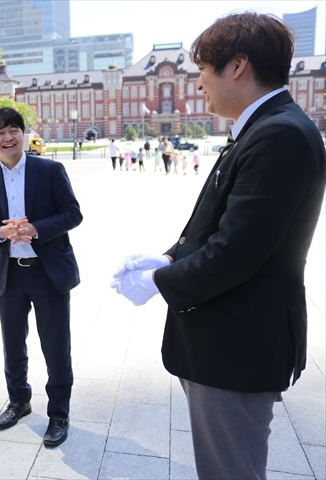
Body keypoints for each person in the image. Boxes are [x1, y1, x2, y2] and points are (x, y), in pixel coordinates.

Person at [110, 13, 325, 479]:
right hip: (228, 338)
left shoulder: (279, 134)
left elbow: (235, 252)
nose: (199, 81)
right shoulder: (263, 127)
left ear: (237, 66)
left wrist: (158, 280)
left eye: (204, 68)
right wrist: (169, 256)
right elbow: (219, 225)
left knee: (230, 471)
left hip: (238, 345)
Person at [0, 107, 83, 448]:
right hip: (9, 276)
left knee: (56, 346)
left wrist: (36, 229)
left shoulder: (49, 170)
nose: (8, 138)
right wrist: (0, 232)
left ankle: (58, 414)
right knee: (13, 345)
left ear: (23, 133)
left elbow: (73, 213)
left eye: (13, 130)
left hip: (48, 274)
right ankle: (19, 400)